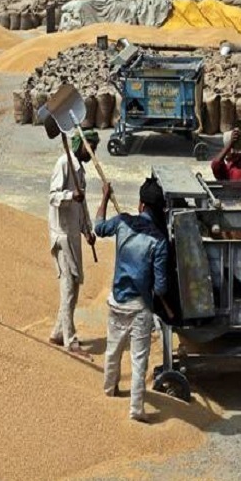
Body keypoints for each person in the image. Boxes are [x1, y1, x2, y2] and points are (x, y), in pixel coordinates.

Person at [95, 178, 169, 422]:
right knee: (139, 360)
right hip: (140, 307)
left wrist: (105, 197)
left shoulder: (123, 222)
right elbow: (160, 287)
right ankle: (136, 409)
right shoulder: (159, 242)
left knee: (113, 350)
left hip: (116, 300)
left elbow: (99, 227)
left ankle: (109, 389)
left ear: (140, 204)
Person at [48, 130, 99, 357]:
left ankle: (58, 331)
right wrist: (70, 196)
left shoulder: (80, 171)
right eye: (91, 148)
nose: (93, 153)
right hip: (61, 236)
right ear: (81, 146)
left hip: (74, 235)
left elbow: (82, 206)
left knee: (74, 285)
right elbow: (53, 196)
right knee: (68, 287)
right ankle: (70, 340)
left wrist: (87, 230)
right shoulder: (63, 164)